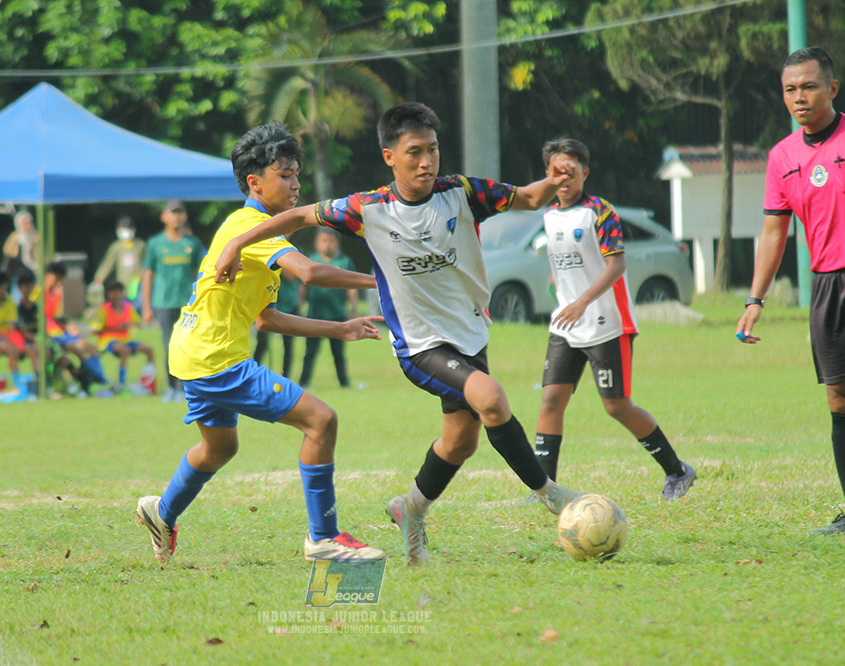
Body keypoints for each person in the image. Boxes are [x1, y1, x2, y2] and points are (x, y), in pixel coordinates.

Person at [214, 102, 584, 566]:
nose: (426, 161)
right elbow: (296, 218)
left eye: (432, 150)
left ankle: (409, 509)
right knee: (490, 398)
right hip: (418, 344)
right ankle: (550, 495)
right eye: (414, 152)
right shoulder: (367, 208)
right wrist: (235, 243)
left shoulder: (463, 192)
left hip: (469, 334)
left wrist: (554, 181)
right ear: (390, 157)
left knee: (461, 441)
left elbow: (529, 198)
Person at [133, 122, 386, 564]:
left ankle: (162, 510)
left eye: (296, 174)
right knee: (321, 422)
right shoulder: (252, 226)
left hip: (194, 352)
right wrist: (385, 280)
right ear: (255, 182)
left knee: (220, 448)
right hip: (216, 358)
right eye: (285, 174)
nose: (296, 184)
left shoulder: (257, 231)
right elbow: (309, 272)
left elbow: (265, 319)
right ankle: (322, 537)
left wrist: (339, 328)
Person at [524, 137, 695, 503]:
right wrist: (563, 293)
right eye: (558, 171)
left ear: (585, 173)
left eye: (572, 171)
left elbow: (616, 265)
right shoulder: (549, 216)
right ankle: (546, 489)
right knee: (551, 400)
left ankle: (677, 470)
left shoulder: (600, 212)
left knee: (616, 406)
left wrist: (583, 300)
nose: (565, 178)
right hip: (565, 324)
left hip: (607, 323)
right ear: (548, 175)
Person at [737, 47, 845, 535]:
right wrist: (754, 299)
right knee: (839, 398)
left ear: (832, 88)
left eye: (809, 86)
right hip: (827, 286)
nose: (799, 97)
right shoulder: (782, 156)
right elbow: (773, 233)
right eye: (790, 89)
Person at [142, 199, 208, 402]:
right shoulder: (155, 244)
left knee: (188, 346)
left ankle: (185, 387)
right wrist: (146, 306)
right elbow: (148, 275)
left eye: (180, 213)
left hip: (188, 303)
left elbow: (203, 271)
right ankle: (171, 387)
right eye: (172, 213)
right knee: (168, 344)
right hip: (163, 302)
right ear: (164, 217)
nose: (176, 216)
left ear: (185, 217)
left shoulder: (193, 243)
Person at [298, 228, 358, 388]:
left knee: (338, 353)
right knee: (310, 352)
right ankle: (304, 382)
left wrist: (354, 308)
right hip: (315, 315)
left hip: (337, 314)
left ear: (337, 242)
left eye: (331, 241)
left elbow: (352, 287)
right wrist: (300, 304)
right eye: (324, 241)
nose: (328, 245)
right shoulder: (312, 261)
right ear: (317, 244)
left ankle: (344, 383)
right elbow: (303, 286)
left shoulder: (344, 262)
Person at [37, 261, 109, 395]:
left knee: (90, 347)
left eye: (61, 280)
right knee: (77, 351)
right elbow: (40, 319)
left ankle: (101, 379)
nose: (58, 282)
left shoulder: (56, 295)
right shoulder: (38, 293)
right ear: (48, 276)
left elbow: (52, 318)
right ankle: (96, 382)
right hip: (49, 335)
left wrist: (68, 326)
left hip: (59, 332)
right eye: (56, 278)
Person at [0, 270, 38, 395]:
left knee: (30, 349)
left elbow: (11, 323)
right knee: (12, 350)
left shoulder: (9, 300)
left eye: (4, 287)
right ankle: (18, 385)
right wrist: (10, 341)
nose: (1, 291)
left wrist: (12, 338)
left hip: (8, 335)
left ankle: (42, 382)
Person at [90, 280, 154, 392]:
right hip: (108, 341)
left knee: (148, 350)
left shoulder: (128, 307)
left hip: (125, 340)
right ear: (109, 294)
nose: (117, 295)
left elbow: (139, 323)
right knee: (125, 350)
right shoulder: (105, 309)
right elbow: (94, 330)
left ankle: (150, 381)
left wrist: (130, 324)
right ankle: (121, 384)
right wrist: (115, 328)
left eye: (119, 292)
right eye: (114, 292)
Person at [252, 271, 300, 378]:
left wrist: (277, 261)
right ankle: (253, 373)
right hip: (267, 305)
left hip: (288, 305)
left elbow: (291, 276)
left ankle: (285, 376)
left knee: (288, 345)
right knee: (262, 343)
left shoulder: (288, 255)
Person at [92, 215, 146, 308]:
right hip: (122, 286)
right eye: (123, 228)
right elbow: (107, 264)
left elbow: (147, 264)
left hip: (138, 285)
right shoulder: (116, 247)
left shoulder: (141, 245)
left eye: (128, 228)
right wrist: (99, 278)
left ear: (133, 229)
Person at [2, 210, 40, 302]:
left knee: (35, 300)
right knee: (17, 301)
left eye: (30, 223)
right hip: (18, 277)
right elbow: (8, 252)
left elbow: (41, 257)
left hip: (34, 276)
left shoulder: (37, 238)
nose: (29, 226)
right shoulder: (14, 237)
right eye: (25, 223)